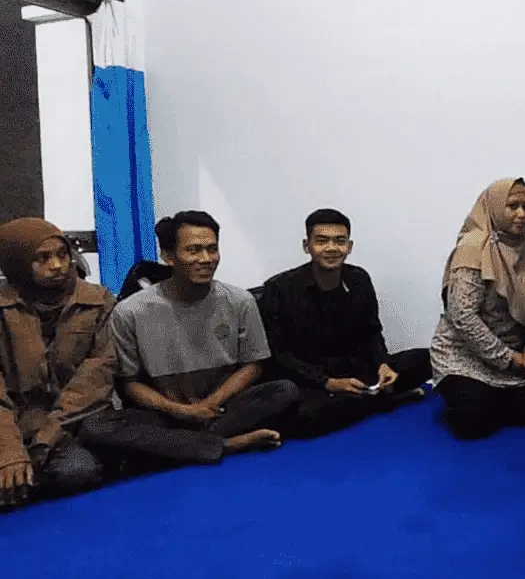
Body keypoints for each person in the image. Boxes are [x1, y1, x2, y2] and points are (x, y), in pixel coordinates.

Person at [78, 211, 301, 470]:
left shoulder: (240, 301)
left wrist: (210, 404)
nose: (205, 259)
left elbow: (253, 365)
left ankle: (179, 447)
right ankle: (226, 444)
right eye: (193, 250)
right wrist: (182, 411)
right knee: (96, 427)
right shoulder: (131, 311)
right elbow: (129, 384)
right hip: (165, 414)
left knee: (285, 390)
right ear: (168, 256)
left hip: (221, 410)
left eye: (212, 249)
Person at [259, 209, 431, 439]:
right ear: (306, 246)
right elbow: (278, 354)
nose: (331, 248)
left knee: (427, 358)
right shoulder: (279, 288)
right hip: (311, 378)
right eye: (322, 241)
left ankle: (371, 398)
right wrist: (327, 383)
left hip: (356, 369)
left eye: (340, 241)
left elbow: (372, 331)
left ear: (349, 246)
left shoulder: (359, 279)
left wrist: (382, 364)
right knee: (305, 417)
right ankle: (385, 400)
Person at [0, 218, 116, 507]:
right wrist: (9, 451)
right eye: (43, 258)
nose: (57, 266)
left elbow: (96, 378)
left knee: (78, 471)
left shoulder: (98, 301)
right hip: (11, 424)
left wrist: (48, 435)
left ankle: (21, 483)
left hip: (70, 424)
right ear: (16, 264)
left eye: (62, 255)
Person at [431, 178, 525, 440]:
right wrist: (505, 357)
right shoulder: (473, 248)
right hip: (464, 354)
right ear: (494, 207)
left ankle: (487, 399)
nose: (522, 214)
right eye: (512, 206)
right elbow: (463, 316)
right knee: (472, 424)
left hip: (514, 355)